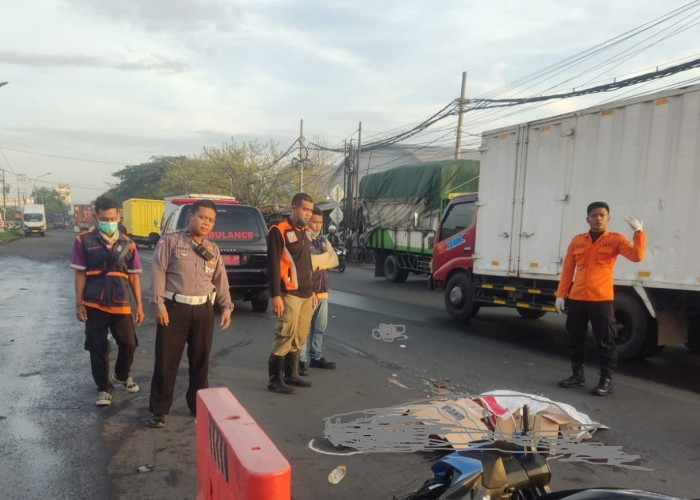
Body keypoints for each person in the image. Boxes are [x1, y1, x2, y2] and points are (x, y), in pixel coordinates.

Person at [147, 199, 233, 427]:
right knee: (166, 361)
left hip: (203, 310)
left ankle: (198, 407)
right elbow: (158, 272)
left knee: (200, 362)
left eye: (211, 220)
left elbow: (220, 279)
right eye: (202, 217)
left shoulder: (212, 249)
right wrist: (159, 305)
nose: (206, 223)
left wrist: (226, 307)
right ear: (191, 216)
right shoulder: (171, 241)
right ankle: (158, 410)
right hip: (174, 309)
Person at [555, 201, 645, 396]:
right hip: (578, 297)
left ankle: (606, 380)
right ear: (587, 218)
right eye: (594, 215)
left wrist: (638, 233)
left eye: (602, 215)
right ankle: (577, 376)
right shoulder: (577, 241)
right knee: (576, 338)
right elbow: (568, 270)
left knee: (606, 341)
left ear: (608, 219)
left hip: (601, 299)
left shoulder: (616, 240)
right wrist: (561, 294)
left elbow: (637, 256)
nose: (598, 219)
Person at [70, 195, 144, 407]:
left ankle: (122, 375)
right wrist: (79, 303)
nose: (109, 222)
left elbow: (133, 276)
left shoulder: (128, 244)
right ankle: (104, 388)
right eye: (104, 218)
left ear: (119, 216)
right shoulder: (83, 241)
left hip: (121, 302)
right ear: (96, 217)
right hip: (94, 302)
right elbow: (80, 274)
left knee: (129, 343)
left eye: (112, 218)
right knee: (98, 347)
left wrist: (139, 305)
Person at [266, 193, 317, 394]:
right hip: (289, 294)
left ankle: (291, 375)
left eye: (311, 210)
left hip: (306, 294)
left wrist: (312, 290)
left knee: (300, 335)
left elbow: (307, 264)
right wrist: (275, 295)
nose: (308, 214)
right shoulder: (279, 231)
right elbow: (272, 265)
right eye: (305, 209)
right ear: (293, 208)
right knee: (285, 334)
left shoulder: (305, 231)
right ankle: (274, 380)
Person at [299, 207, 339, 375]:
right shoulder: (302, 240)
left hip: (323, 291)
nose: (317, 226)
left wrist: (317, 262)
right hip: (308, 291)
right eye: (314, 222)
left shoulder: (323, 241)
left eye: (320, 223)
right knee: (304, 328)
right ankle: (300, 360)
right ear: (307, 222)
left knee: (320, 327)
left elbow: (335, 260)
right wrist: (324, 259)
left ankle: (316, 356)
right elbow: (305, 263)